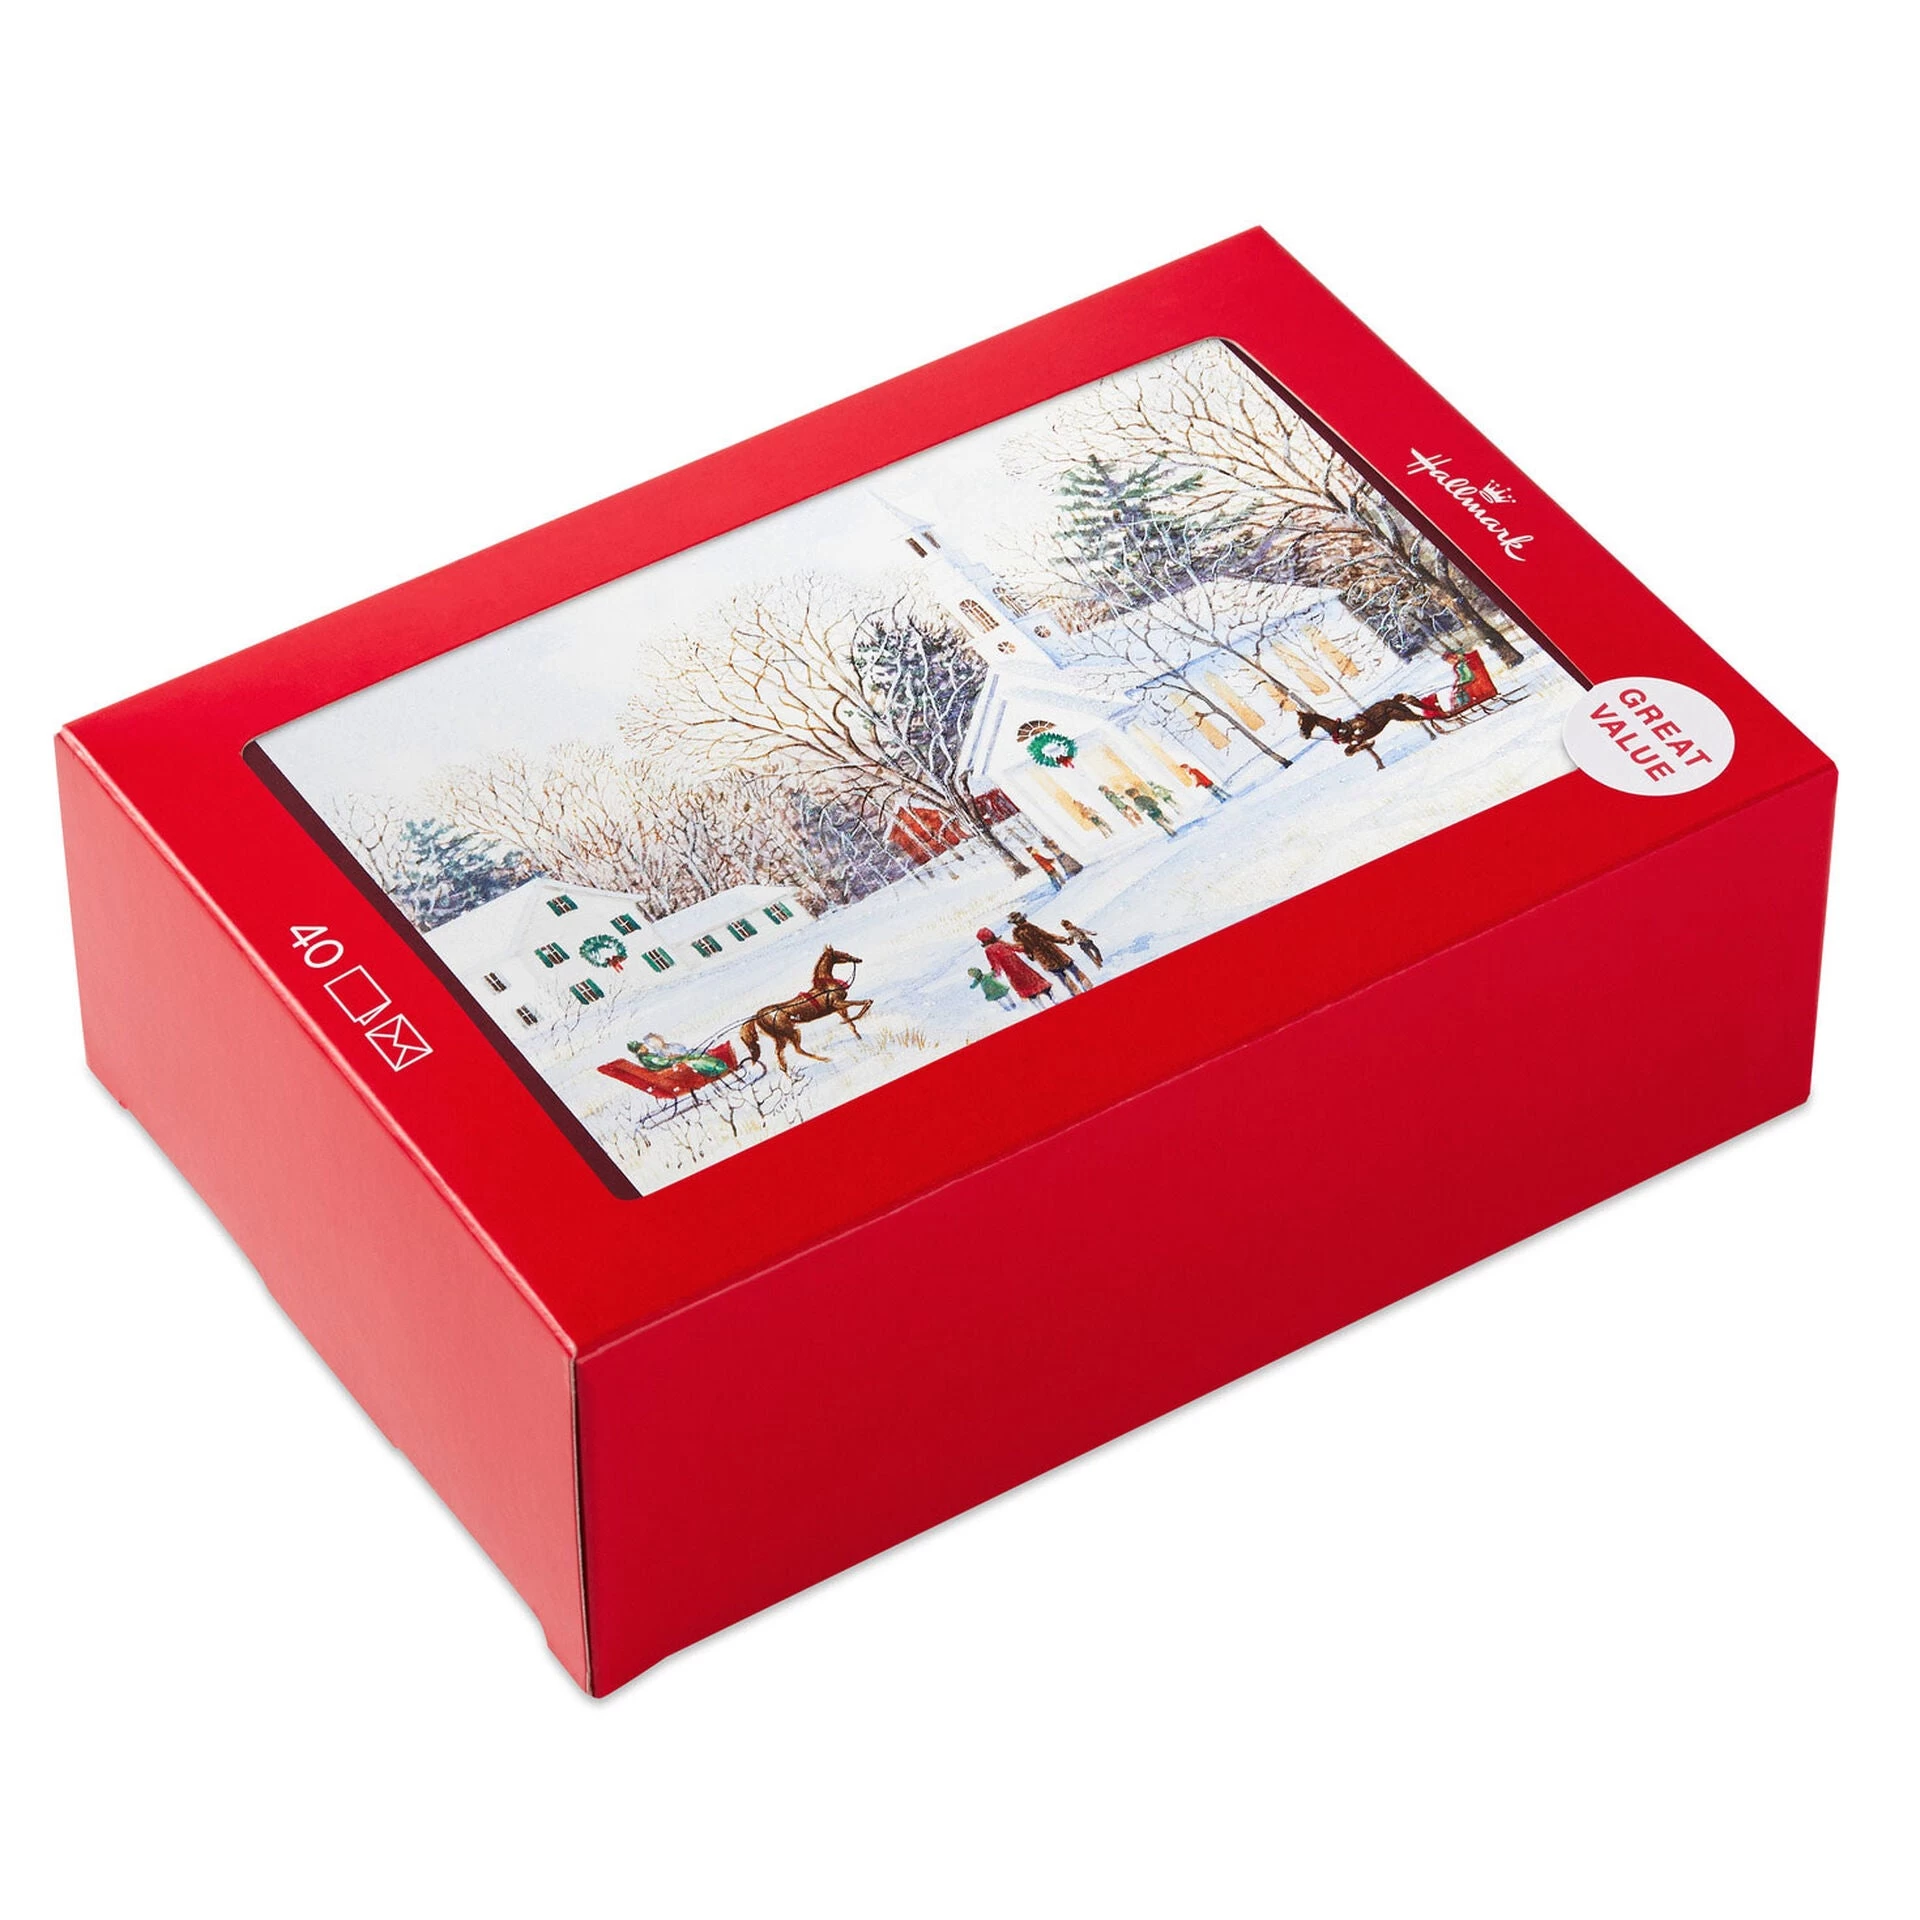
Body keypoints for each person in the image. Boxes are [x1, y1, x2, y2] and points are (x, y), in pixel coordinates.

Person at [1007, 910, 1091, 995]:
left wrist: (1030, 955)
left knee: (1064, 977)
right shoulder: (1029, 927)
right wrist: (1064, 940)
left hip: (1043, 957)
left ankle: (1078, 993)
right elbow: (1048, 936)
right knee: (1074, 970)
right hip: (1052, 951)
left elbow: (1023, 947)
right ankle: (1088, 989)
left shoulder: (1016, 933)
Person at [976, 927, 1053, 1004]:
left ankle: (1039, 1004)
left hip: (1012, 972)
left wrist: (995, 973)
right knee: (1035, 981)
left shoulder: (989, 950)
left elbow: (995, 965)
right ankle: (1051, 998)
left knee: (1028, 991)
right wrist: (1025, 947)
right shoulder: (1000, 943)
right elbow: (1015, 948)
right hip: (1021, 966)